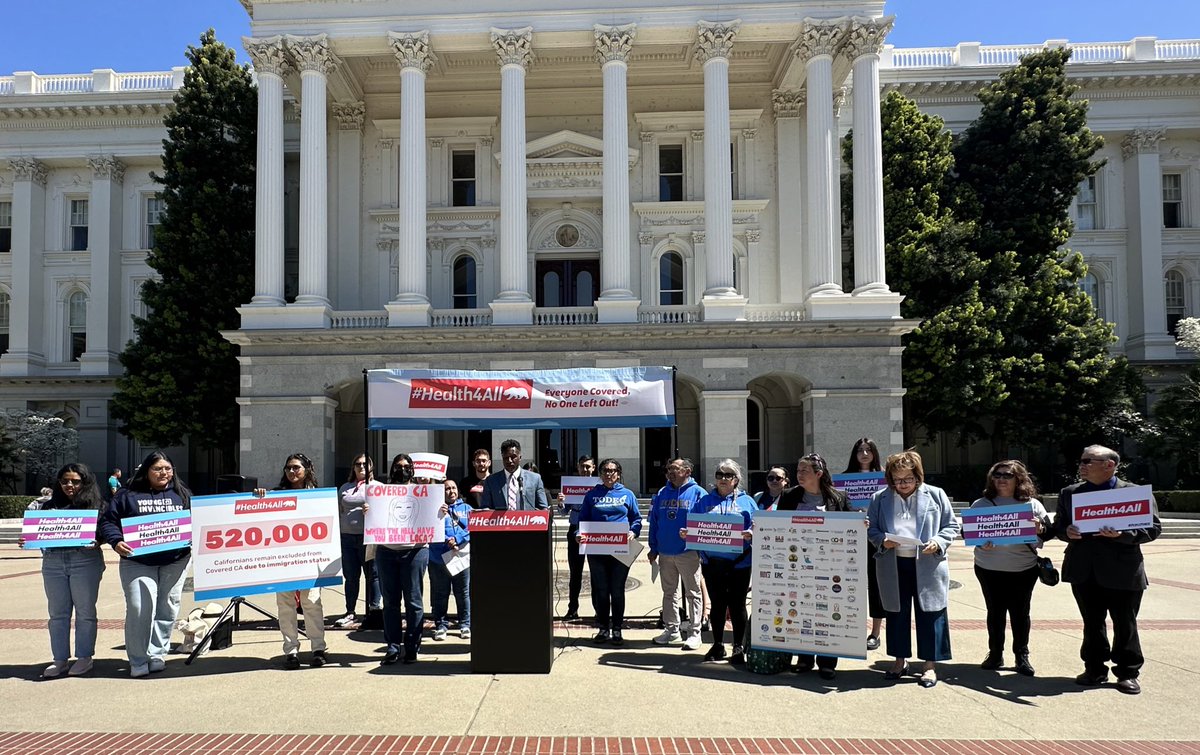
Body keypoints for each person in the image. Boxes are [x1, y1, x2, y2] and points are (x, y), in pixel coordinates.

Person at [1054, 445, 1162, 695]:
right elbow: (1059, 526)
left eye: (1088, 461)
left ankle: (1127, 672)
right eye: (1081, 460)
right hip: (1084, 569)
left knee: (1125, 622)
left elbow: (1152, 529)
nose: (1081, 465)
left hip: (1122, 569)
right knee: (1091, 622)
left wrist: (1123, 534)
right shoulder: (1070, 493)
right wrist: (1066, 532)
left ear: (1109, 465)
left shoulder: (1134, 493)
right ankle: (1094, 668)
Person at [867, 450, 960, 688]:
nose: (903, 484)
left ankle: (929, 665)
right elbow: (871, 529)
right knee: (896, 614)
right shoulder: (880, 498)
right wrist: (881, 541)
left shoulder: (936, 495)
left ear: (917, 476)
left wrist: (938, 542)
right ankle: (900, 661)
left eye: (907, 479)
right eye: (897, 480)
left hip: (927, 563)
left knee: (930, 613)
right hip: (893, 563)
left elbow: (950, 526)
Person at [98, 451, 192, 678]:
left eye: (168, 469)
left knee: (168, 606)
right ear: (146, 471)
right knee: (140, 608)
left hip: (175, 560)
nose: (164, 473)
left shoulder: (182, 493)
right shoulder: (127, 495)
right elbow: (108, 521)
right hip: (137, 560)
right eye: (158, 469)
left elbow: (197, 518)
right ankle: (138, 659)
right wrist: (116, 541)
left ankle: (157, 653)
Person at [971, 460, 1051, 676]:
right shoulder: (981, 504)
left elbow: (1047, 532)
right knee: (995, 612)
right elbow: (969, 532)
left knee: (1020, 613)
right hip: (988, 567)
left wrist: (1040, 527)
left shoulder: (1032, 505)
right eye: (997, 475)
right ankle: (995, 653)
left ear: (1019, 478)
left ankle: (1021, 655)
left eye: (1007, 475)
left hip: (1023, 568)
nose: (1001, 479)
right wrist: (980, 541)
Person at [28, 463, 106, 678]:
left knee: (85, 612)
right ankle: (60, 659)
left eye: (75, 481)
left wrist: (99, 540)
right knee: (57, 614)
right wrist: (29, 538)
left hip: (84, 560)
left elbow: (107, 529)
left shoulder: (97, 505)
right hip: (53, 562)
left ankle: (84, 657)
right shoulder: (49, 506)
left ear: (85, 482)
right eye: (64, 481)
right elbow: (39, 532)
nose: (69, 485)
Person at [778, 453, 851, 680]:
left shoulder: (838, 498)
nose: (799, 475)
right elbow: (778, 525)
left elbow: (850, 527)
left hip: (830, 569)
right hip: (797, 566)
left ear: (818, 474)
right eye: (798, 471)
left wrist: (861, 524)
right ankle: (804, 657)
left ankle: (828, 661)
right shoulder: (789, 496)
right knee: (800, 610)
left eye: (805, 471)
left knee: (827, 613)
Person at [255, 453, 327, 668]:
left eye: (296, 467)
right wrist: (259, 498)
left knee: (311, 602)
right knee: (285, 604)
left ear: (307, 470)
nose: (292, 472)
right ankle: (291, 651)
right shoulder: (275, 495)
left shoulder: (318, 496)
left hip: (310, 558)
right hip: (283, 559)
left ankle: (318, 648)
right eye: (288, 468)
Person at [683, 458, 755, 665]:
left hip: (740, 563)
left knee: (737, 605)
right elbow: (693, 525)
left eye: (728, 475)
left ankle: (739, 647)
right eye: (719, 475)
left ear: (736, 479)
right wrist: (687, 533)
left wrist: (751, 532)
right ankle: (717, 644)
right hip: (712, 563)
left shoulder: (746, 501)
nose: (723, 479)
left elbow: (758, 525)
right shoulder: (705, 501)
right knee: (718, 605)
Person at [577, 459, 642, 645]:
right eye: (605, 470)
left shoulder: (628, 495)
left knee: (617, 590)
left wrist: (633, 531)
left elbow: (636, 519)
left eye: (613, 471)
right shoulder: (591, 495)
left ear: (619, 473)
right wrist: (577, 534)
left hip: (620, 548)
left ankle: (617, 629)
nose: (609, 474)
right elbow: (583, 519)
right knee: (602, 590)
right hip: (596, 549)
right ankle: (603, 628)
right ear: (600, 473)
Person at [374, 452, 429, 665]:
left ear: (412, 470)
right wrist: (368, 511)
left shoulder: (422, 493)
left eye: (406, 466)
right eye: (398, 466)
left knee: (414, 602)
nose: (402, 469)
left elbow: (432, 516)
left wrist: (440, 509)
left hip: (415, 551)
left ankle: (413, 646)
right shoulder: (381, 492)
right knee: (390, 602)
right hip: (387, 550)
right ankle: (393, 646)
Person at [647, 457, 705, 650]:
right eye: (668, 469)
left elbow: (705, 522)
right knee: (669, 593)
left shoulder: (698, 493)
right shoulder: (663, 492)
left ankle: (695, 632)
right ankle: (672, 631)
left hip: (688, 552)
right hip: (665, 552)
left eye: (675, 469)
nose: (670, 472)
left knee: (693, 593)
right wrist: (653, 547)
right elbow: (655, 521)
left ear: (687, 471)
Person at [845, 437, 886, 651]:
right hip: (850, 539)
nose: (864, 454)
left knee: (876, 585)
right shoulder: (844, 479)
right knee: (850, 585)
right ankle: (850, 627)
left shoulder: (884, 479)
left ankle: (875, 632)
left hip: (875, 538)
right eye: (860, 450)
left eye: (868, 450)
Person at [334, 453, 379, 628]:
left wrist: (373, 509)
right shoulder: (344, 487)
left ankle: (374, 610)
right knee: (351, 577)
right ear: (353, 467)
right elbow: (338, 510)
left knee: (373, 576)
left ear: (371, 467)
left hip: (368, 538)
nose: (361, 467)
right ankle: (350, 612)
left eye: (365, 464)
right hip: (346, 538)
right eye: (358, 464)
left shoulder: (378, 487)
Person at [428, 479, 471, 641]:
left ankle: (465, 624)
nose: (451, 491)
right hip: (438, 558)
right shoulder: (434, 509)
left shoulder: (467, 509)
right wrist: (447, 539)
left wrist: (457, 539)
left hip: (460, 557)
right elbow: (430, 528)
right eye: (447, 489)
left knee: (463, 593)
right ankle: (441, 625)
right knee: (440, 593)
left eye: (453, 488)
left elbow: (472, 527)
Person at [556, 455, 595, 621]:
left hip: (595, 531)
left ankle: (599, 610)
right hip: (575, 530)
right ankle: (572, 609)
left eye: (588, 467)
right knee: (575, 573)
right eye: (582, 467)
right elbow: (564, 512)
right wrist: (560, 503)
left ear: (593, 468)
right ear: (578, 468)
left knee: (597, 573)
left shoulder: (598, 486)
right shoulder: (571, 486)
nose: (585, 470)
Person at [482, 439, 549, 510]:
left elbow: (543, 508)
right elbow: (485, 508)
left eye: (513, 457)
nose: (509, 461)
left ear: (520, 457)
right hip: (501, 520)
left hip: (527, 520)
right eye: (506, 457)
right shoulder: (491, 481)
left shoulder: (535, 478)